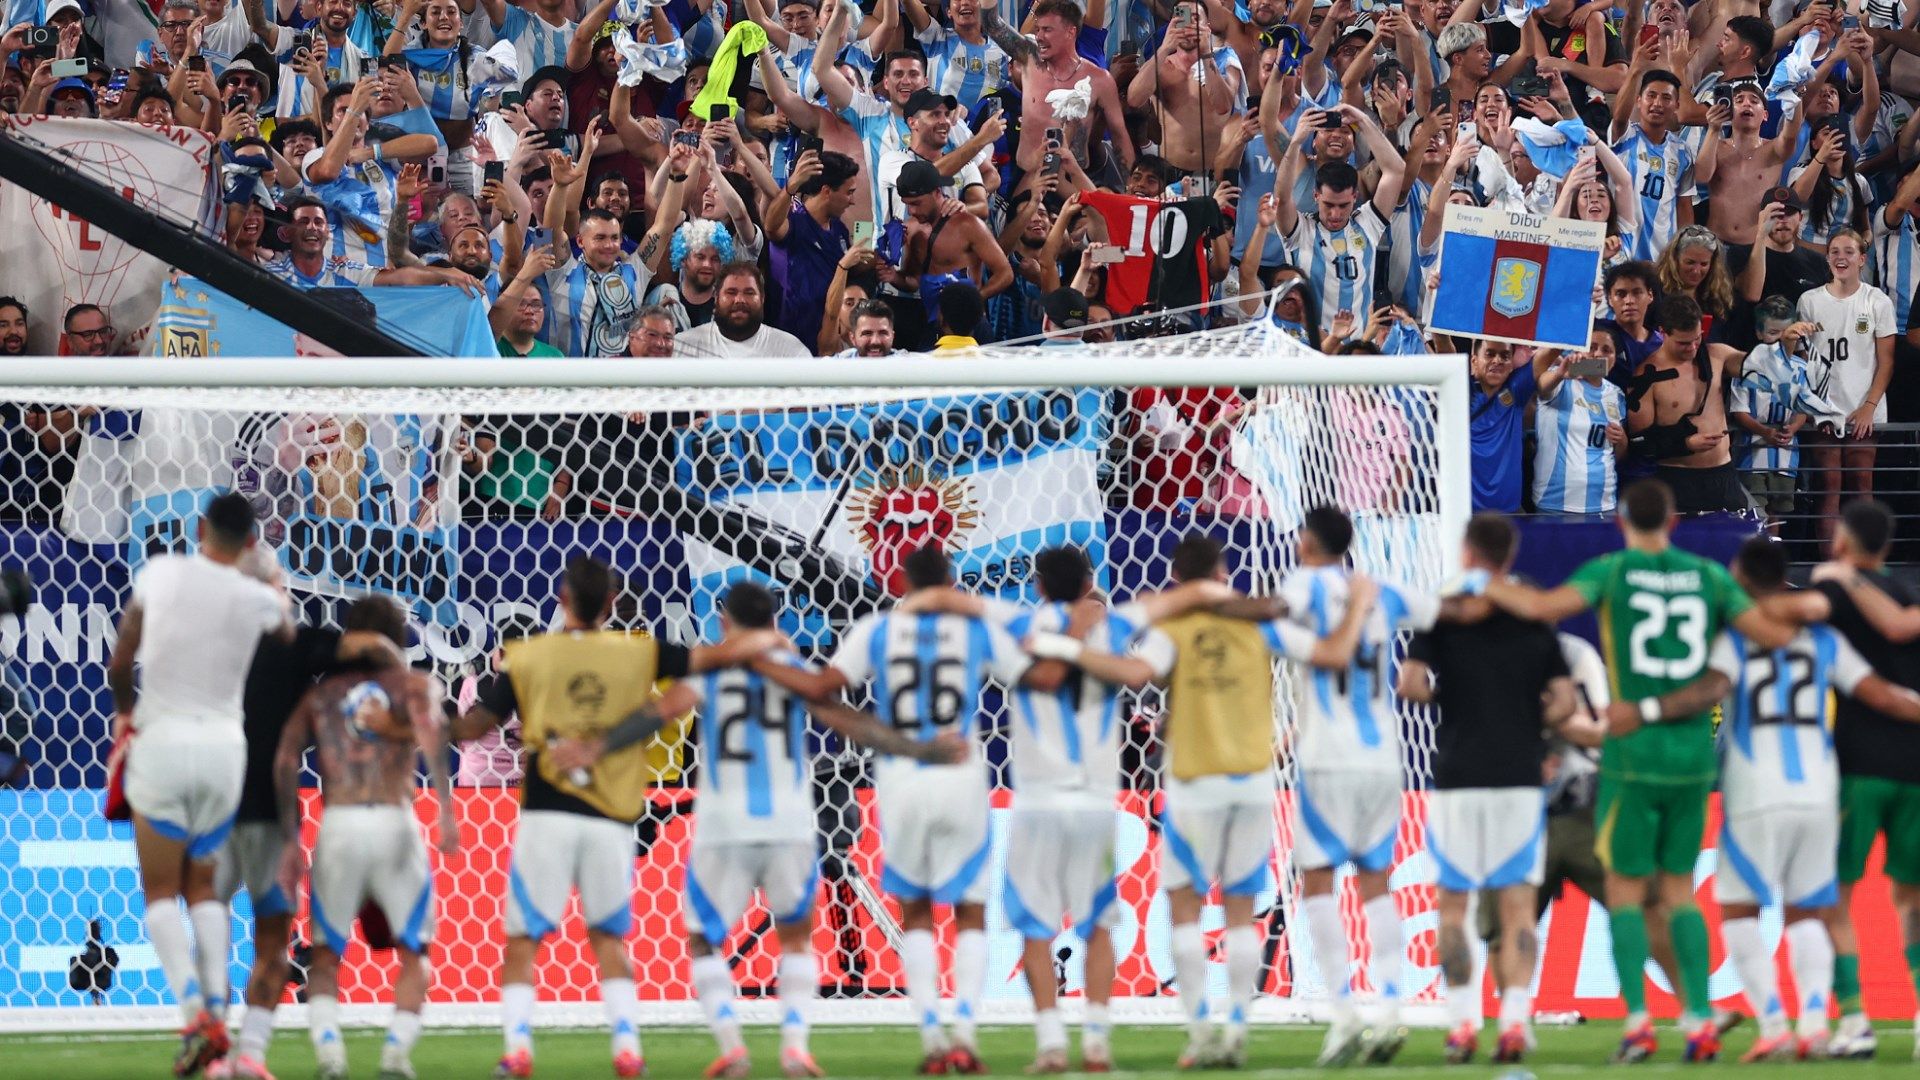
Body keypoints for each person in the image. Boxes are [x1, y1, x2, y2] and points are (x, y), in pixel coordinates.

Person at [552, 582, 960, 1079]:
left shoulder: (714, 673)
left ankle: (732, 1046)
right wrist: (918, 751)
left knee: (703, 938)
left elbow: (656, 713)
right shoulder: (796, 672)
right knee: (797, 941)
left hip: (725, 821)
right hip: (790, 820)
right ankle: (794, 1048)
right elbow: (848, 722)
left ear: (724, 623)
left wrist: (596, 749)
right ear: (775, 624)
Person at [1472, 478, 1794, 1064]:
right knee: (1676, 891)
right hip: (1693, 757)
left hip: (1630, 751)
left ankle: (1640, 1022)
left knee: (1624, 891)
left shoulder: (1611, 571)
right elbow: (1771, 634)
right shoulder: (1710, 577)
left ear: (1622, 522)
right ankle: (1697, 1019)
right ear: (1672, 523)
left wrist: (1485, 580)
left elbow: (1545, 607)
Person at [1057, 529, 1382, 1068]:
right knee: (1237, 911)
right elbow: (1329, 654)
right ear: (1225, 572)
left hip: (1193, 782)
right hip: (1252, 783)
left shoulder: (1178, 627)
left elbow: (1136, 672)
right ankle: (1235, 1028)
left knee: (1184, 905)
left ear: (1179, 580)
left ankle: (1202, 1034)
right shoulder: (1263, 627)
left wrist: (1073, 647)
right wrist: (1359, 609)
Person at [453, 556, 783, 1080]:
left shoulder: (528, 656)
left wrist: (416, 722)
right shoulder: (639, 652)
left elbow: (472, 728)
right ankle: (627, 1050)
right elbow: (714, 660)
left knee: (522, 940)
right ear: (611, 604)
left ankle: (517, 1052)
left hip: (546, 814)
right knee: (608, 938)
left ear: (561, 600)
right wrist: (766, 640)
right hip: (612, 816)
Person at [753, 544, 1032, 1074]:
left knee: (918, 913)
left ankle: (931, 1037)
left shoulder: (877, 630)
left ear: (901, 582)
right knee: (970, 912)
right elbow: (1035, 673)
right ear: (950, 582)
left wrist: (770, 667)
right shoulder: (973, 631)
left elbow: (822, 688)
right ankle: (966, 1035)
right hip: (961, 774)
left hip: (902, 779)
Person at [1682, 539, 1920, 1061]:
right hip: (1818, 791)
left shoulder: (1735, 638)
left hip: (1753, 794)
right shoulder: (1823, 640)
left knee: (1739, 910)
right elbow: (1881, 694)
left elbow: (1706, 690)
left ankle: (1773, 1023)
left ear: (1742, 579)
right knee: (1808, 913)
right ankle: (1814, 1021)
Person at [105, 492, 292, 1076]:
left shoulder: (160, 573)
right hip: (223, 753)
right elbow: (286, 636)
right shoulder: (257, 599)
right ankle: (217, 1011)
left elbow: (121, 659)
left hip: (161, 741)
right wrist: (268, 580)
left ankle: (195, 1011)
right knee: (205, 888)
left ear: (200, 527)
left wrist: (126, 714)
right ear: (252, 543)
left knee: (161, 891)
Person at [1397, 513, 1578, 1066]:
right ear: (1510, 554)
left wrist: (1449, 700)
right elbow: (1566, 702)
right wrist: (1532, 721)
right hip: (1520, 777)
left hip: (1457, 775)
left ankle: (1460, 1026)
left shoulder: (1444, 614)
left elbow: (1410, 684)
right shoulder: (1533, 619)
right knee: (1518, 909)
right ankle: (1516, 1023)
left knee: (1452, 907)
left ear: (1467, 551)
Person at [209, 579, 403, 1080]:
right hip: (270, 816)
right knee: (270, 942)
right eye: (277, 585)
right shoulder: (294, 644)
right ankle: (247, 1053)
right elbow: (361, 648)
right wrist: (391, 652)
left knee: (213, 930)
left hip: (213, 803)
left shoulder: (209, 646)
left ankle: (220, 1054)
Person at [271, 596, 451, 1080]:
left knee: (326, 955)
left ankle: (331, 1058)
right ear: (397, 638)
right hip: (396, 821)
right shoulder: (415, 686)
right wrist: (449, 817)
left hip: (341, 825)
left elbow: (285, 757)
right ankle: (396, 1055)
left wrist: (290, 834)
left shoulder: (322, 696)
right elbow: (434, 733)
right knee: (417, 952)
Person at [1800, 500, 1920, 1059]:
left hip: (1858, 766)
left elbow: (1791, 617)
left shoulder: (1836, 591)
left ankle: (1853, 1020)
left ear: (1842, 543)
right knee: (1912, 898)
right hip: (1916, 770)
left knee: (1834, 897)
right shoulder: (1910, 594)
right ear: (1888, 548)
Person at [1797, 228, 1895, 545]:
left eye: (1849, 251)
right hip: (1825, 411)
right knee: (1829, 485)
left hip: (1864, 408)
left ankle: (1864, 566)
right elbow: (1802, 361)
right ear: (1827, 258)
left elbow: (1887, 361)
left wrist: (1868, 407)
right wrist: (1816, 409)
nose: (1842, 257)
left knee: (1862, 484)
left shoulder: (1876, 300)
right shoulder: (1809, 301)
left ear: (1862, 258)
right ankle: (1832, 570)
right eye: (1835, 251)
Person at [1625, 295, 1751, 514]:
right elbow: (1639, 442)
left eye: (1697, 338)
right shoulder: (1645, 377)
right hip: (1677, 480)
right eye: (1683, 342)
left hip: (1723, 474)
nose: (1692, 347)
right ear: (1663, 332)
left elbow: (1758, 366)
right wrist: (1685, 443)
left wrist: (1785, 343)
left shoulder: (1717, 355)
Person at [1728, 297, 1842, 536]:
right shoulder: (1746, 367)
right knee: (1754, 509)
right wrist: (1765, 431)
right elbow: (1739, 410)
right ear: (1759, 333)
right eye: (1773, 332)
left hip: (1785, 454)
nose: (1780, 339)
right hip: (1752, 453)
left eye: (1786, 333)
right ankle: (1753, 561)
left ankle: (1772, 561)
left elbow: (1803, 407)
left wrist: (1793, 427)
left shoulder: (1802, 368)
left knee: (1777, 511)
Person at [1532, 329, 1628, 515]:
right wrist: (1560, 373)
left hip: (1604, 504)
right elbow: (1542, 386)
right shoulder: (1559, 380)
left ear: (1614, 359)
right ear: (1579, 351)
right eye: (1591, 347)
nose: (1598, 353)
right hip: (1555, 503)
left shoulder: (1616, 395)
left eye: (1606, 350)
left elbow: (1618, 453)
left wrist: (1622, 440)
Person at [675, 261, 814, 358]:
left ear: (762, 298)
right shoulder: (682, 347)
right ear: (716, 298)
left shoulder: (791, 351)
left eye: (749, 293)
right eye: (731, 292)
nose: (740, 300)